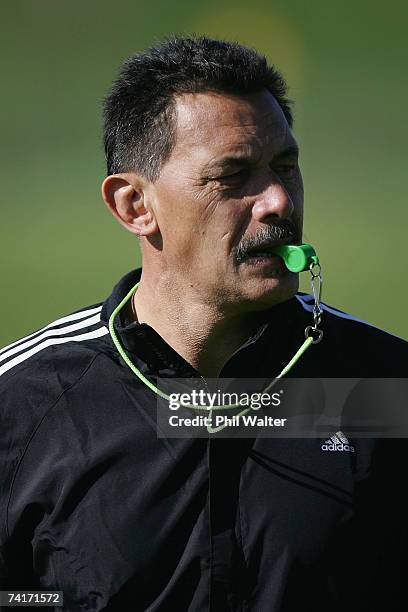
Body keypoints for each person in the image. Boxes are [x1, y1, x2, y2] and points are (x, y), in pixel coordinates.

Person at [0, 36, 407, 612]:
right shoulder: (21, 406)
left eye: (285, 167)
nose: (277, 203)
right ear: (135, 206)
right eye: (232, 175)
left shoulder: (385, 389)